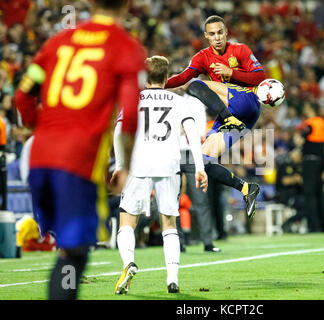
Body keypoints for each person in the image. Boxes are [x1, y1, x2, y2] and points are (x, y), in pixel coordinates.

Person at [13, 0, 146, 300]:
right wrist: (123, 165)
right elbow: (130, 114)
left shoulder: (58, 42)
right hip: (76, 164)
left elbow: (22, 95)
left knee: (65, 250)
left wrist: (41, 131)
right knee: (74, 254)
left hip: (39, 159)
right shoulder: (126, 47)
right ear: (126, 5)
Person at [112, 56, 208, 295]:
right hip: (168, 164)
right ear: (167, 78)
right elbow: (193, 134)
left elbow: (118, 131)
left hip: (138, 164)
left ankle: (128, 264)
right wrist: (199, 167)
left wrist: (120, 164)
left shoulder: (133, 100)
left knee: (127, 220)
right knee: (169, 223)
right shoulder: (179, 101)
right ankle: (172, 279)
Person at [165, 15, 266, 219]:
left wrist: (231, 72)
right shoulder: (202, 57)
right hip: (236, 118)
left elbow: (260, 77)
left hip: (247, 102)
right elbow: (183, 77)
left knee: (195, 85)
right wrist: (158, 84)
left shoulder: (240, 50)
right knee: (201, 162)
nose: (217, 37)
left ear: (226, 32)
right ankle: (247, 188)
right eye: (212, 34)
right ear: (206, 36)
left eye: (220, 32)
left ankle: (228, 118)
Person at [179, 92, 220, 252]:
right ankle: (177, 242)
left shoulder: (196, 102)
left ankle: (208, 242)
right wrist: (184, 130)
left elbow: (201, 130)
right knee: (171, 200)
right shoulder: (170, 100)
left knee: (200, 198)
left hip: (191, 152)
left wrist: (183, 130)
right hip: (173, 151)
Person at [298, 102, 324, 232]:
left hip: (309, 161)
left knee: (310, 194)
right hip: (320, 160)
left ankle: (314, 225)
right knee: (319, 194)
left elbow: (302, 137)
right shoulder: (322, 123)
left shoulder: (310, 123)